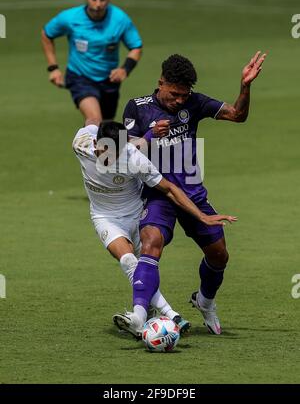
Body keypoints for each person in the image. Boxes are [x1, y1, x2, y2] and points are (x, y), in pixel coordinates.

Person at [120, 51, 266, 335]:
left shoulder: (194, 103)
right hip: (158, 193)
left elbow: (237, 115)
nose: (179, 101)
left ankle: (204, 301)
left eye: (184, 96)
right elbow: (121, 151)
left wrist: (245, 85)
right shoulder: (137, 107)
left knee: (220, 256)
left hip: (192, 192)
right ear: (161, 82)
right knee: (150, 244)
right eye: (174, 94)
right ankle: (139, 315)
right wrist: (149, 137)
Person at [72, 121, 236, 338]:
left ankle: (146, 316)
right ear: (95, 143)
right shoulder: (81, 144)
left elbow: (170, 189)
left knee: (143, 271)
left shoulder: (134, 158)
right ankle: (170, 315)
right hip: (106, 218)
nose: (110, 158)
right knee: (128, 262)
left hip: (136, 214)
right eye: (105, 151)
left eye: (116, 152)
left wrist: (201, 215)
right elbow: (92, 121)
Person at [42, 0, 142, 125]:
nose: (98, 4)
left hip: (109, 80)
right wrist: (53, 68)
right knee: (95, 120)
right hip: (80, 78)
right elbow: (47, 34)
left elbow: (136, 47)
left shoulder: (120, 19)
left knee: (107, 128)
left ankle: (93, 147)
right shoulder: (70, 18)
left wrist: (125, 69)